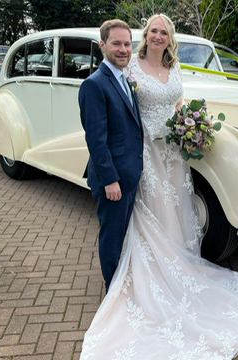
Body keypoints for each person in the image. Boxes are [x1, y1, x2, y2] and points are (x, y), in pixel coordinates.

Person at [81, 14, 238, 359]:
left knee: (175, 211)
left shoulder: (174, 68)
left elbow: (176, 102)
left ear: (171, 39)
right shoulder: (128, 70)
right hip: (145, 155)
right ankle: (123, 286)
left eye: (164, 32)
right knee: (147, 213)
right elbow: (109, 125)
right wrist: (111, 175)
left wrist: (191, 125)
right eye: (152, 31)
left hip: (174, 153)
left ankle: (177, 267)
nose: (157, 36)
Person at [79, 19, 143, 293]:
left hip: (129, 173)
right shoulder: (94, 85)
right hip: (113, 180)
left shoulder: (126, 78)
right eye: (116, 43)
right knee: (112, 238)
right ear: (102, 45)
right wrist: (109, 180)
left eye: (127, 44)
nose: (123, 49)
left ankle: (120, 284)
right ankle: (112, 292)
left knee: (123, 235)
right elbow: (96, 139)